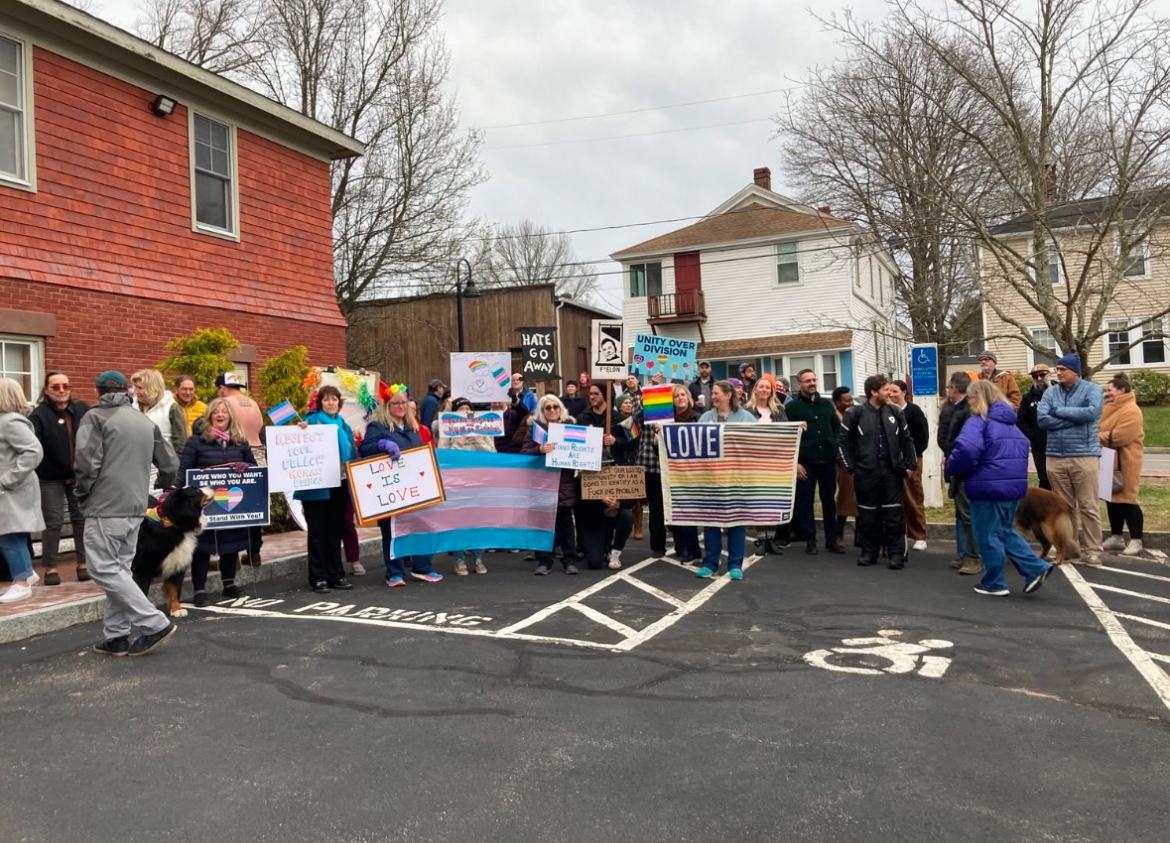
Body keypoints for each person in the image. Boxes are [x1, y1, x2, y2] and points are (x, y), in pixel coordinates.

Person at [74, 370, 179, 656]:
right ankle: (116, 635)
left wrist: (82, 493)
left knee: (103, 569)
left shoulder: (94, 418)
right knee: (119, 570)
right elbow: (169, 462)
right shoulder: (142, 421)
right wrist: (163, 485)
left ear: (98, 390)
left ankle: (154, 623)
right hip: (136, 505)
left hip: (105, 505)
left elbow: (86, 465)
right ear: (126, 391)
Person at [946, 381, 1053, 596]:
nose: (969, 401)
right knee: (1005, 532)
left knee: (986, 536)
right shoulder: (1011, 425)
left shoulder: (979, 422)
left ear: (979, 398)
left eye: (971, 397)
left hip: (987, 488)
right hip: (1012, 488)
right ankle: (1035, 568)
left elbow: (966, 449)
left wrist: (951, 467)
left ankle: (995, 582)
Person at [175, 398, 258, 606]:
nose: (220, 415)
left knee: (231, 545)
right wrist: (172, 492)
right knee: (202, 548)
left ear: (231, 416)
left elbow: (254, 468)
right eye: (216, 412)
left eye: (224, 412)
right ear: (209, 416)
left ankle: (229, 585)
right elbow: (184, 470)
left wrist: (245, 465)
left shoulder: (240, 441)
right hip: (204, 506)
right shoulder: (196, 441)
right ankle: (200, 590)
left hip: (232, 504)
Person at [361, 392, 443, 586]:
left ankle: (422, 567)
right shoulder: (377, 426)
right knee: (392, 530)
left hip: (413, 486)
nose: (400, 406)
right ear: (387, 405)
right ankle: (394, 573)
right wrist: (382, 444)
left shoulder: (412, 427)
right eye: (395, 403)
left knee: (421, 525)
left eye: (403, 403)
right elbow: (365, 449)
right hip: (390, 488)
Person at [839, 374, 916, 570]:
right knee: (867, 516)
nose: (889, 393)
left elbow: (907, 440)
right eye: (886, 390)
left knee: (893, 515)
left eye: (891, 389)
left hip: (891, 472)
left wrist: (910, 465)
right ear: (874, 392)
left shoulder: (895, 412)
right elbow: (843, 442)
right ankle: (869, 553)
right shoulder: (854, 413)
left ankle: (896, 555)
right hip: (866, 473)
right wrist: (852, 467)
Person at [1037, 353, 1104, 567]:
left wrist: (1060, 412)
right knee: (1064, 508)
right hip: (1055, 456)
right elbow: (1043, 420)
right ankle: (1070, 548)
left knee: (1088, 505)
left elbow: (1092, 412)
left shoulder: (1092, 390)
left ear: (1076, 371)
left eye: (1063, 369)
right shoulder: (1050, 392)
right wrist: (1073, 420)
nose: (1059, 372)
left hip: (1084, 455)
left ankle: (1093, 550)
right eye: (1057, 369)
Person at [294, 386, 358, 593]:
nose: (330, 403)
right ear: (319, 403)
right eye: (326, 400)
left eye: (334, 400)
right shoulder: (310, 422)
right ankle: (318, 577)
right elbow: (297, 440)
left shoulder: (344, 425)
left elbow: (352, 452)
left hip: (339, 483)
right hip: (317, 486)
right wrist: (299, 429)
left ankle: (335, 574)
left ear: (339, 403)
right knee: (317, 532)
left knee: (335, 531)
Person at [30, 371, 90, 585]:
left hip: (79, 476)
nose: (61, 390)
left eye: (65, 386)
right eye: (56, 387)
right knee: (53, 522)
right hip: (50, 478)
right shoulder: (38, 415)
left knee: (81, 520)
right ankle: (51, 567)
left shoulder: (82, 409)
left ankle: (84, 563)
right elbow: (33, 446)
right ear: (46, 390)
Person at [693, 381, 756, 579]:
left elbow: (757, 441)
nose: (713, 396)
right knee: (711, 520)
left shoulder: (746, 417)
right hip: (711, 478)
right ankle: (710, 563)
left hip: (737, 479)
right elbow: (695, 442)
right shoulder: (705, 417)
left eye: (716, 393)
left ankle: (735, 564)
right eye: (712, 393)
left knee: (737, 521)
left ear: (729, 395)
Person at [634, 383, 702, 561]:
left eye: (683, 395)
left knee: (677, 508)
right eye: (676, 396)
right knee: (656, 509)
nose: (680, 398)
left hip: (677, 470)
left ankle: (682, 546)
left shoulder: (686, 418)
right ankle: (657, 547)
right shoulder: (658, 414)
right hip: (652, 467)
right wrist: (651, 393)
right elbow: (635, 422)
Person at [576, 383, 637, 569]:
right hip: (592, 476)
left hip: (614, 474)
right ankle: (592, 547)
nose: (592, 396)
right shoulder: (582, 418)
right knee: (594, 561)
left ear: (605, 396)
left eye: (596, 394)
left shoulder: (621, 418)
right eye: (590, 394)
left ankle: (614, 551)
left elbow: (635, 441)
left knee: (623, 513)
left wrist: (616, 441)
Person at [785, 368, 843, 555]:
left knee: (829, 501)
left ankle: (831, 540)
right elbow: (789, 437)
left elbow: (836, 427)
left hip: (827, 460)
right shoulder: (792, 408)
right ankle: (810, 540)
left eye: (814, 380)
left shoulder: (826, 405)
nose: (812, 383)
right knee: (806, 502)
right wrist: (797, 463)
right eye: (807, 380)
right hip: (806, 463)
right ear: (799, 383)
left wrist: (834, 445)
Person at [522, 394, 581, 575]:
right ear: (542, 410)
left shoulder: (570, 426)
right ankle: (544, 561)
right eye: (548, 407)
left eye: (556, 407)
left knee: (566, 523)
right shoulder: (534, 429)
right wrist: (540, 449)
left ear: (560, 408)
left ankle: (570, 560)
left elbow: (581, 451)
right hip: (542, 481)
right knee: (542, 523)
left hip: (564, 481)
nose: (553, 410)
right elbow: (524, 453)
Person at [0, 379, 46, 604]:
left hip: (12, 489)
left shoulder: (10, 422)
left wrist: (7, 480)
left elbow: (33, 451)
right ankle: (25, 573)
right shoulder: (6, 421)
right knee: (9, 533)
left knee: (10, 534)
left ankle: (21, 583)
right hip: (11, 488)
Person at [437, 397, 494, 575]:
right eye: (460, 408)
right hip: (458, 481)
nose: (464, 411)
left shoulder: (482, 427)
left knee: (478, 520)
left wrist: (479, 440)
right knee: (459, 520)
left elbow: (492, 453)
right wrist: (459, 441)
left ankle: (478, 557)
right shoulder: (448, 430)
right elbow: (443, 456)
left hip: (478, 480)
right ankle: (459, 559)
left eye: (467, 408)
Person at [215, 372, 265, 566]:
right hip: (259, 456)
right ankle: (254, 553)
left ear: (221, 388)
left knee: (231, 511)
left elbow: (219, 430)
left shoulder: (224, 405)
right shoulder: (252, 403)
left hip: (235, 457)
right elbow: (260, 428)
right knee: (255, 509)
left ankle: (231, 556)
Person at [940, 372, 981, 574]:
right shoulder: (958, 408)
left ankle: (974, 557)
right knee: (960, 513)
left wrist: (953, 458)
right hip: (958, 466)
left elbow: (964, 443)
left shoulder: (968, 410)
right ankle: (965, 554)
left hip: (965, 468)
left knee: (968, 515)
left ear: (954, 388)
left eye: (949, 387)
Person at [1099, 377, 1145, 556]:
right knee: (1111, 499)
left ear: (1122, 391)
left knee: (1127, 500)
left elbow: (1121, 436)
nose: (1107, 393)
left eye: (1110, 390)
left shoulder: (1132, 410)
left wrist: (1098, 435)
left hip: (1127, 461)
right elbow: (1103, 429)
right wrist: (1103, 433)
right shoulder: (1110, 408)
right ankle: (1116, 537)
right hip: (1108, 457)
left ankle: (1136, 540)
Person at [745, 375, 789, 555]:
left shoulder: (779, 410)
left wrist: (798, 427)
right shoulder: (746, 411)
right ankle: (761, 538)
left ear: (772, 391)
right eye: (761, 387)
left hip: (774, 461)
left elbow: (787, 431)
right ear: (755, 389)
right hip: (753, 461)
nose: (764, 390)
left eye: (767, 388)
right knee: (757, 501)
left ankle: (771, 538)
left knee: (772, 500)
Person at [887, 380, 930, 552]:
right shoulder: (887, 411)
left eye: (895, 391)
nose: (891, 394)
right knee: (895, 499)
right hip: (892, 460)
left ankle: (920, 536)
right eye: (889, 391)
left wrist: (911, 458)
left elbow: (922, 438)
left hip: (912, 460)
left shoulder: (914, 411)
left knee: (913, 496)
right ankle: (900, 533)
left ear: (904, 392)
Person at [132, 369, 186, 493]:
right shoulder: (131, 405)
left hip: (161, 474)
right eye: (136, 388)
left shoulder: (172, 408)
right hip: (134, 472)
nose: (136, 392)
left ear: (152, 387)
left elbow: (180, 445)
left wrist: (175, 477)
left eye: (140, 388)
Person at [1018, 364, 1053, 490]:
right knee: (1044, 479)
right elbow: (1021, 421)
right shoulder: (1028, 398)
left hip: (1060, 444)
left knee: (1060, 480)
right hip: (1039, 447)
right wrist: (1033, 435)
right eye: (1035, 376)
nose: (1039, 378)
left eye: (1042, 375)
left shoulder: (1060, 393)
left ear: (1049, 375)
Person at [831, 386, 857, 547]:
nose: (851, 403)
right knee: (845, 497)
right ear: (837, 402)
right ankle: (838, 532)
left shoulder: (854, 415)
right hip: (839, 463)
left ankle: (860, 535)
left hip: (855, 461)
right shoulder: (835, 417)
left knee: (859, 497)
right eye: (847, 401)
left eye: (851, 399)